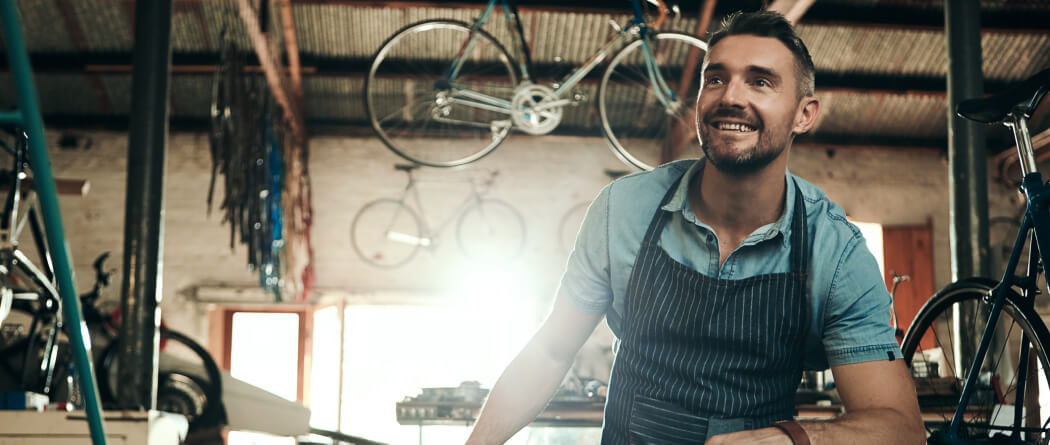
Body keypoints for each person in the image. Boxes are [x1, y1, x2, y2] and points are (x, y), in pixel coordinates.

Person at [466, 10, 924, 445]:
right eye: (716, 78)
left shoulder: (835, 251)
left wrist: (789, 439)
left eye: (760, 82)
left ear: (804, 114)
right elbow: (551, 351)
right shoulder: (623, 210)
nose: (731, 96)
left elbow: (900, 428)